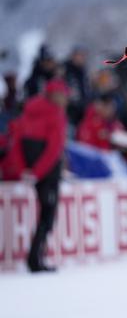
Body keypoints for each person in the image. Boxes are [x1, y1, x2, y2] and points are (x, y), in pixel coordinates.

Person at [11, 78, 69, 272]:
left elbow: (16, 142)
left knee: (44, 214)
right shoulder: (56, 114)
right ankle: (35, 259)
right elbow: (54, 149)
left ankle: (35, 258)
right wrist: (37, 173)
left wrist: (24, 170)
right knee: (47, 216)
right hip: (47, 174)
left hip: (31, 169)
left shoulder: (28, 111)